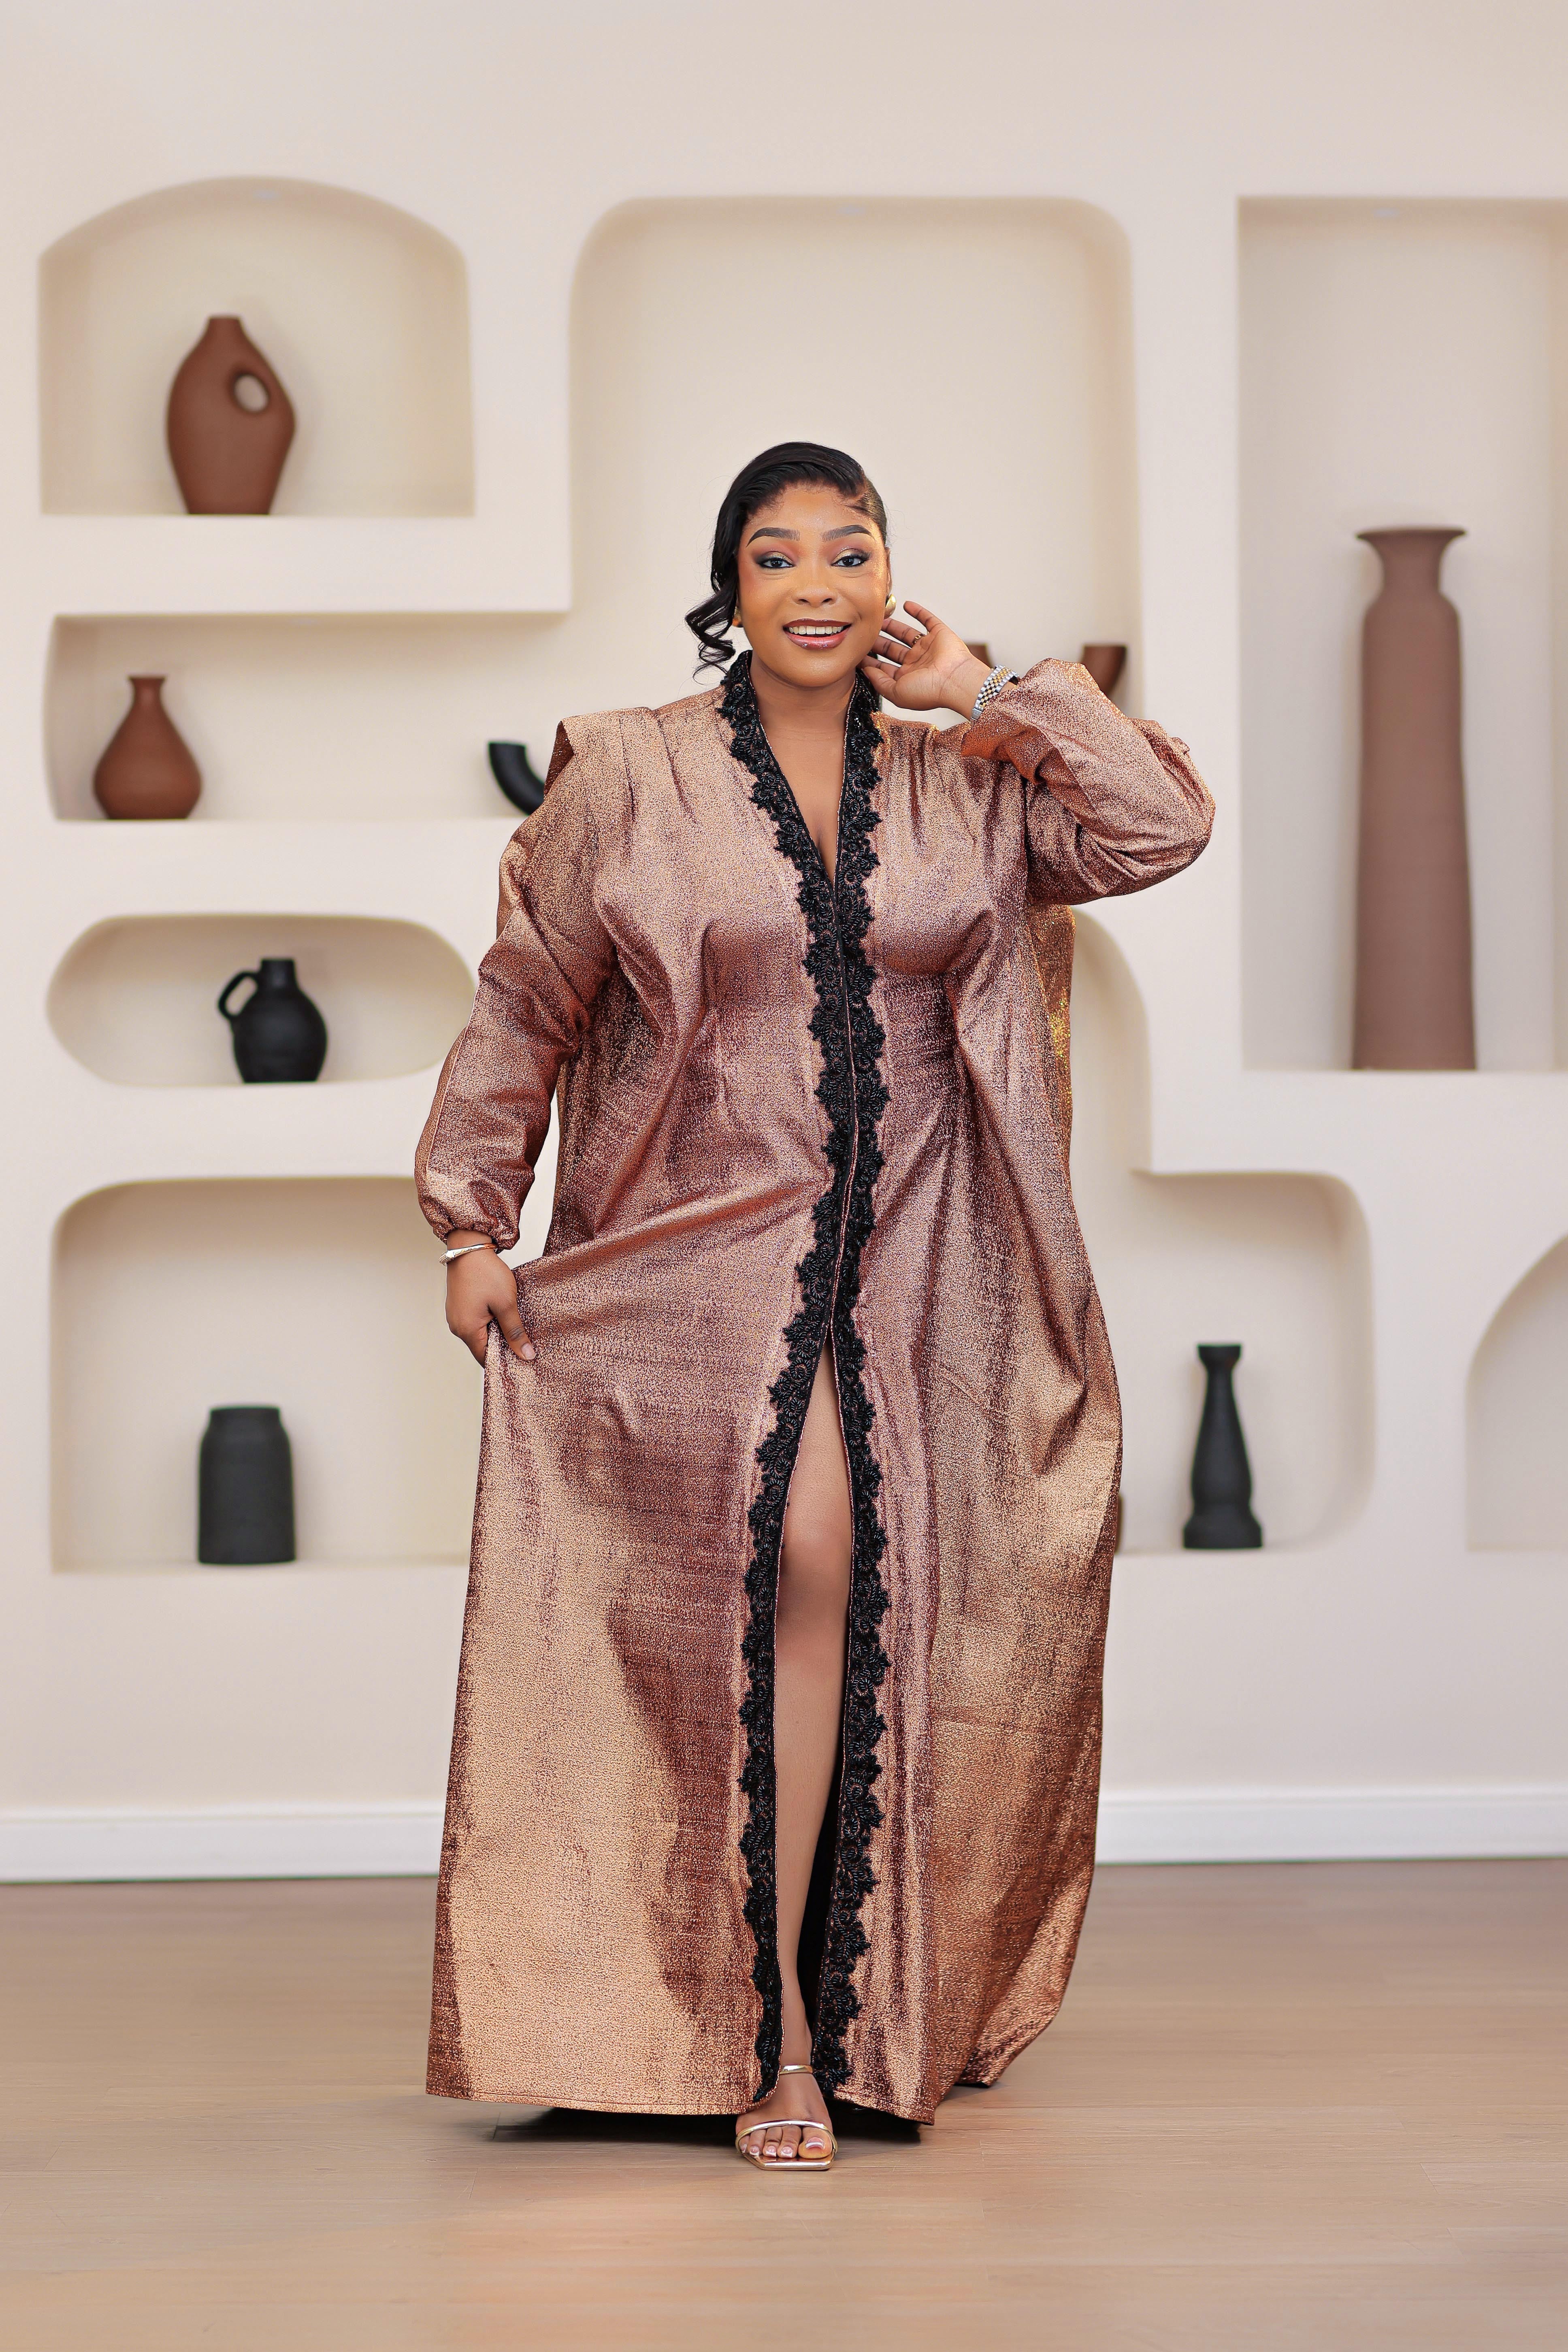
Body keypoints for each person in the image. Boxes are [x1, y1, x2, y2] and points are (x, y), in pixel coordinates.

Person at [416, 441, 1212, 2170]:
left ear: (888, 582)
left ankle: (832, 2006)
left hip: (934, 1253)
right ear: (732, 592)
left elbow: (1157, 827)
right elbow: (528, 1000)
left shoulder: (970, 778)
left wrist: (990, 687)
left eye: (849, 551)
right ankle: (768, 2030)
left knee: (882, 1600)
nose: (817, 583)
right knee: (788, 1572)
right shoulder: (627, 776)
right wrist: (469, 1219)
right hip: (701, 1239)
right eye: (777, 557)